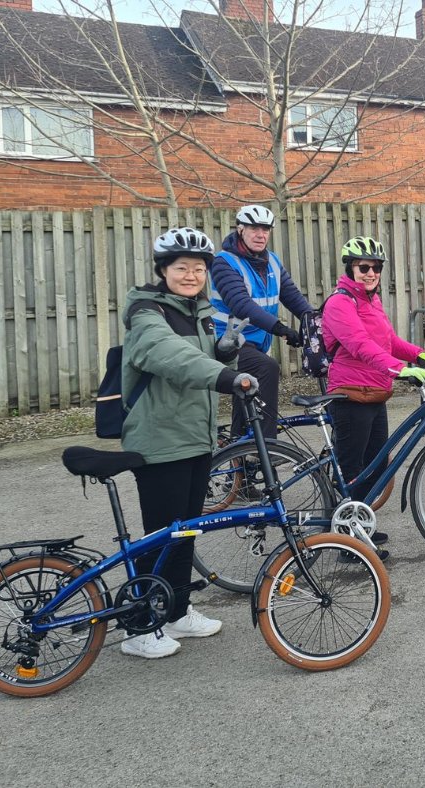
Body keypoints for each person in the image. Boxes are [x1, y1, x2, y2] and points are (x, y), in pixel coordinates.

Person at [121, 227, 259, 658]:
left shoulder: (196, 310)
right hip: (159, 439)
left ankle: (177, 611)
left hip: (195, 436)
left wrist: (226, 350)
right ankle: (139, 626)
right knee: (160, 535)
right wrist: (226, 375)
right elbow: (171, 357)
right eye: (182, 268)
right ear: (163, 271)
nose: (191, 275)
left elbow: (202, 358)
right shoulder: (146, 312)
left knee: (185, 532)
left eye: (199, 269)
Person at [322, 236, 425, 558]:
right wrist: (400, 369)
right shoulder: (340, 303)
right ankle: (348, 542)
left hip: (375, 393)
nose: (370, 273)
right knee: (353, 469)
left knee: (374, 465)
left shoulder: (372, 300)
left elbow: (387, 340)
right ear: (350, 268)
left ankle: (361, 525)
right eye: (363, 267)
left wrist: (418, 355)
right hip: (351, 395)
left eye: (376, 268)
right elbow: (359, 344)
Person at [209, 204, 313, 440]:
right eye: (254, 228)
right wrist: (281, 329)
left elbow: (294, 298)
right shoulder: (224, 262)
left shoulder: (272, 261)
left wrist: (315, 323)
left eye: (266, 229)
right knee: (267, 367)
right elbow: (242, 305)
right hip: (226, 343)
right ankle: (266, 445)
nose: (261, 234)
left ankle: (239, 449)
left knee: (245, 391)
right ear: (240, 229)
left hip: (255, 343)